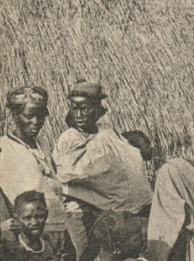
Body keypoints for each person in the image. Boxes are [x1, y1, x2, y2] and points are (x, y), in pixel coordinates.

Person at [53, 82, 152, 243]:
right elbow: (68, 172)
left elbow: (121, 157)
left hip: (132, 205)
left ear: (97, 109)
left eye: (84, 108)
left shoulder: (106, 131)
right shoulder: (70, 138)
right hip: (98, 211)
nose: (79, 115)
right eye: (74, 109)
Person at [0, 85, 78, 257]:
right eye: (29, 116)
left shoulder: (43, 143)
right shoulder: (4, 148)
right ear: (15, 116)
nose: (36, 121)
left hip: (59, 226)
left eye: (40, 115)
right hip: (29, 234)